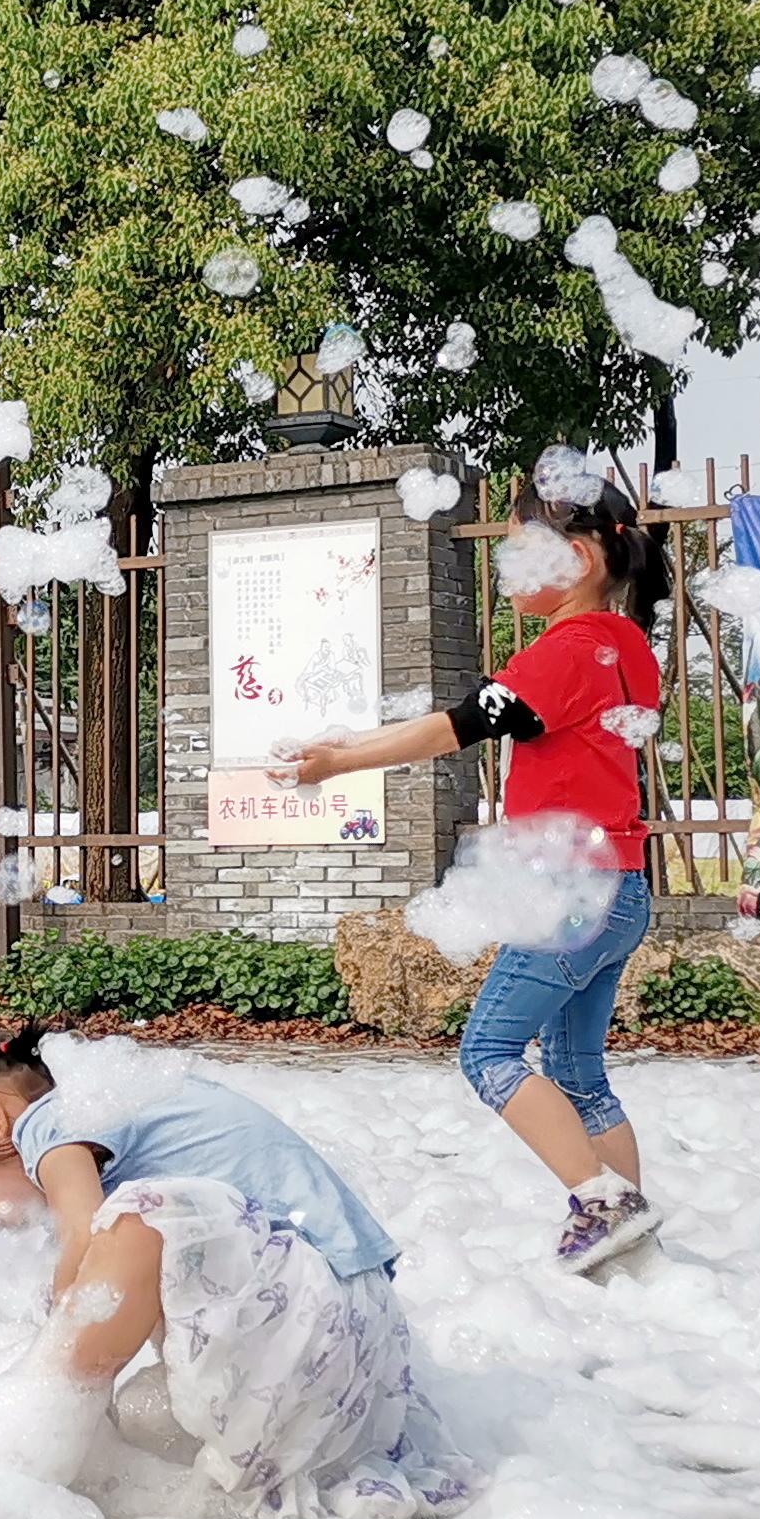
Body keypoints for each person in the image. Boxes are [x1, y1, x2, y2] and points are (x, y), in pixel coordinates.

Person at [276, 476, 668, 1273]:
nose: (508, 570)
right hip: (622, 889)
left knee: (488, 1052)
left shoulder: (563, 651)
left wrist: (340, 760)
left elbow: (453, 728)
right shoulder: (626, 647)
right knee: (577, 1071)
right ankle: (632, 1237)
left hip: (568, 894)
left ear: (582, 557)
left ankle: (599, 1201)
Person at [0, 1028, 472, 1519]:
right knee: (127, 1253)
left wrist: (56, 1340)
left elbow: (86, 1237)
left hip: (314, 1314)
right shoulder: (115, 1104)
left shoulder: (51, 1127)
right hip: (344, 1332)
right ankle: (60, 1422)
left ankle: (33, 1437)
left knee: (135, 1221)